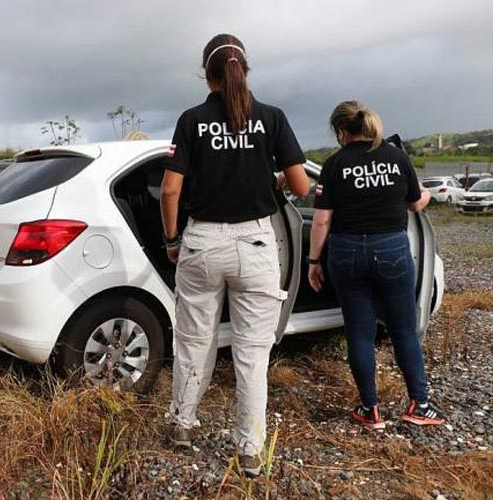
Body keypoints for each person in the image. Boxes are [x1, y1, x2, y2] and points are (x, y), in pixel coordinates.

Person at [160, 33, 310, 477]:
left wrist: (172, 241)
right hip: (257, 245)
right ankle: (249, 450)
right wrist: (273, 181)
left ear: (207, 77)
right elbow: (301, 186)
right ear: (245, 72)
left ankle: (182, 425)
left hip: (202, 243)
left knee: (193, 341)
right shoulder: (272, 118)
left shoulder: (191, 120)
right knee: (251, 354)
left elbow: (170, 189)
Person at [308, 101, 446, 430]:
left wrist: (314, 260)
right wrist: (426, 194)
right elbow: (415, 202)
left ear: (341, 132)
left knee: (359, 332)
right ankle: (420, 404)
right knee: (403, 329)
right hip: (392, 248)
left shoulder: (335, 164)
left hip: (346, 251)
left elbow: (321, 221)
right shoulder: (396, 157)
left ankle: (370, 410)